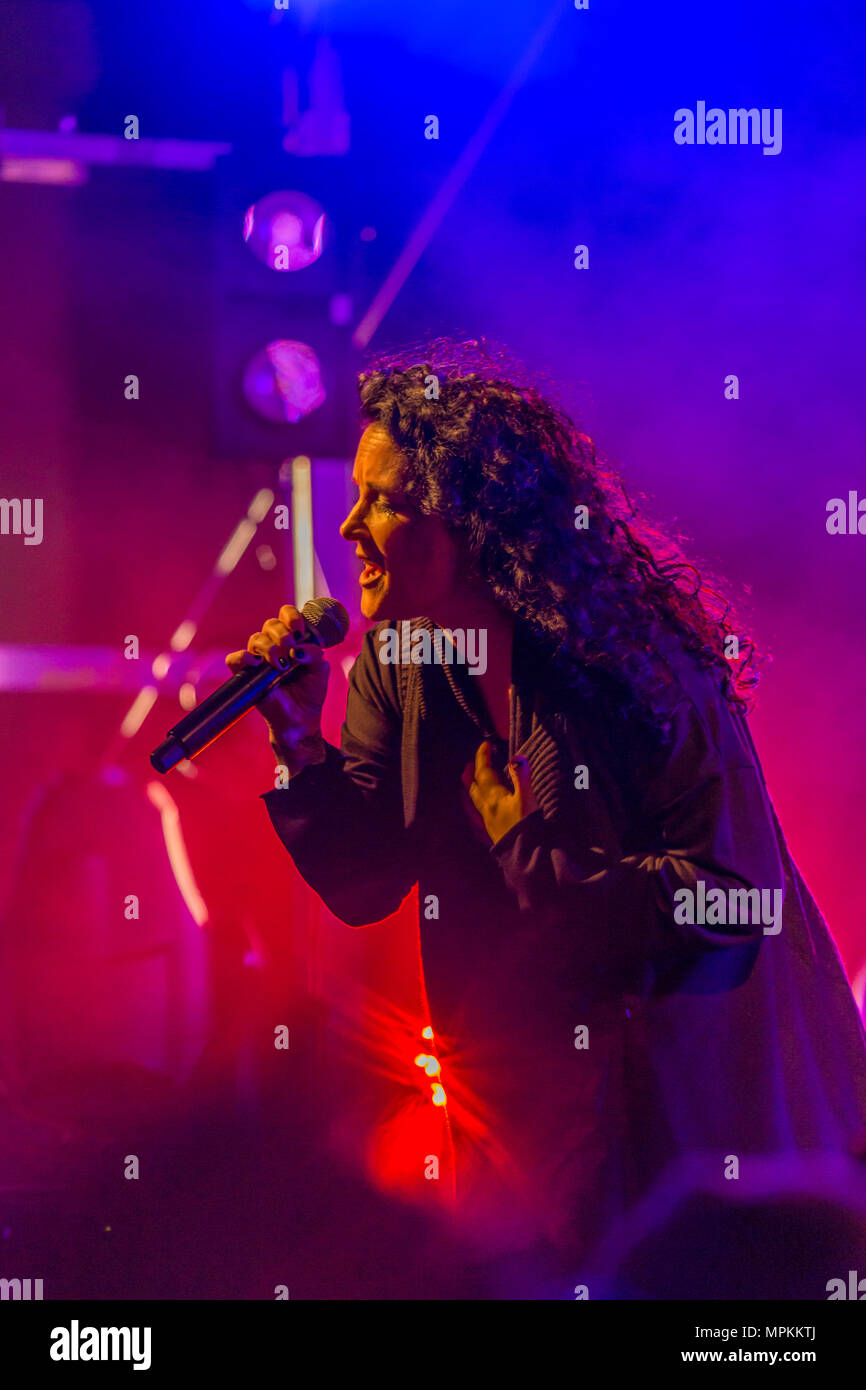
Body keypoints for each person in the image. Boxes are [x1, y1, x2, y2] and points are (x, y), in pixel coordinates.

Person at [226, 339, 866, 1289]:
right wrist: (298, 746)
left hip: (685, 1090)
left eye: (387, 500)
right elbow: (364, 884)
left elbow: (736, 901)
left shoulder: (641, 667)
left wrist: (537, 855)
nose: (351, 526)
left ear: (476, 520)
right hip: (519, 1101)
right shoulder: (398, 667)